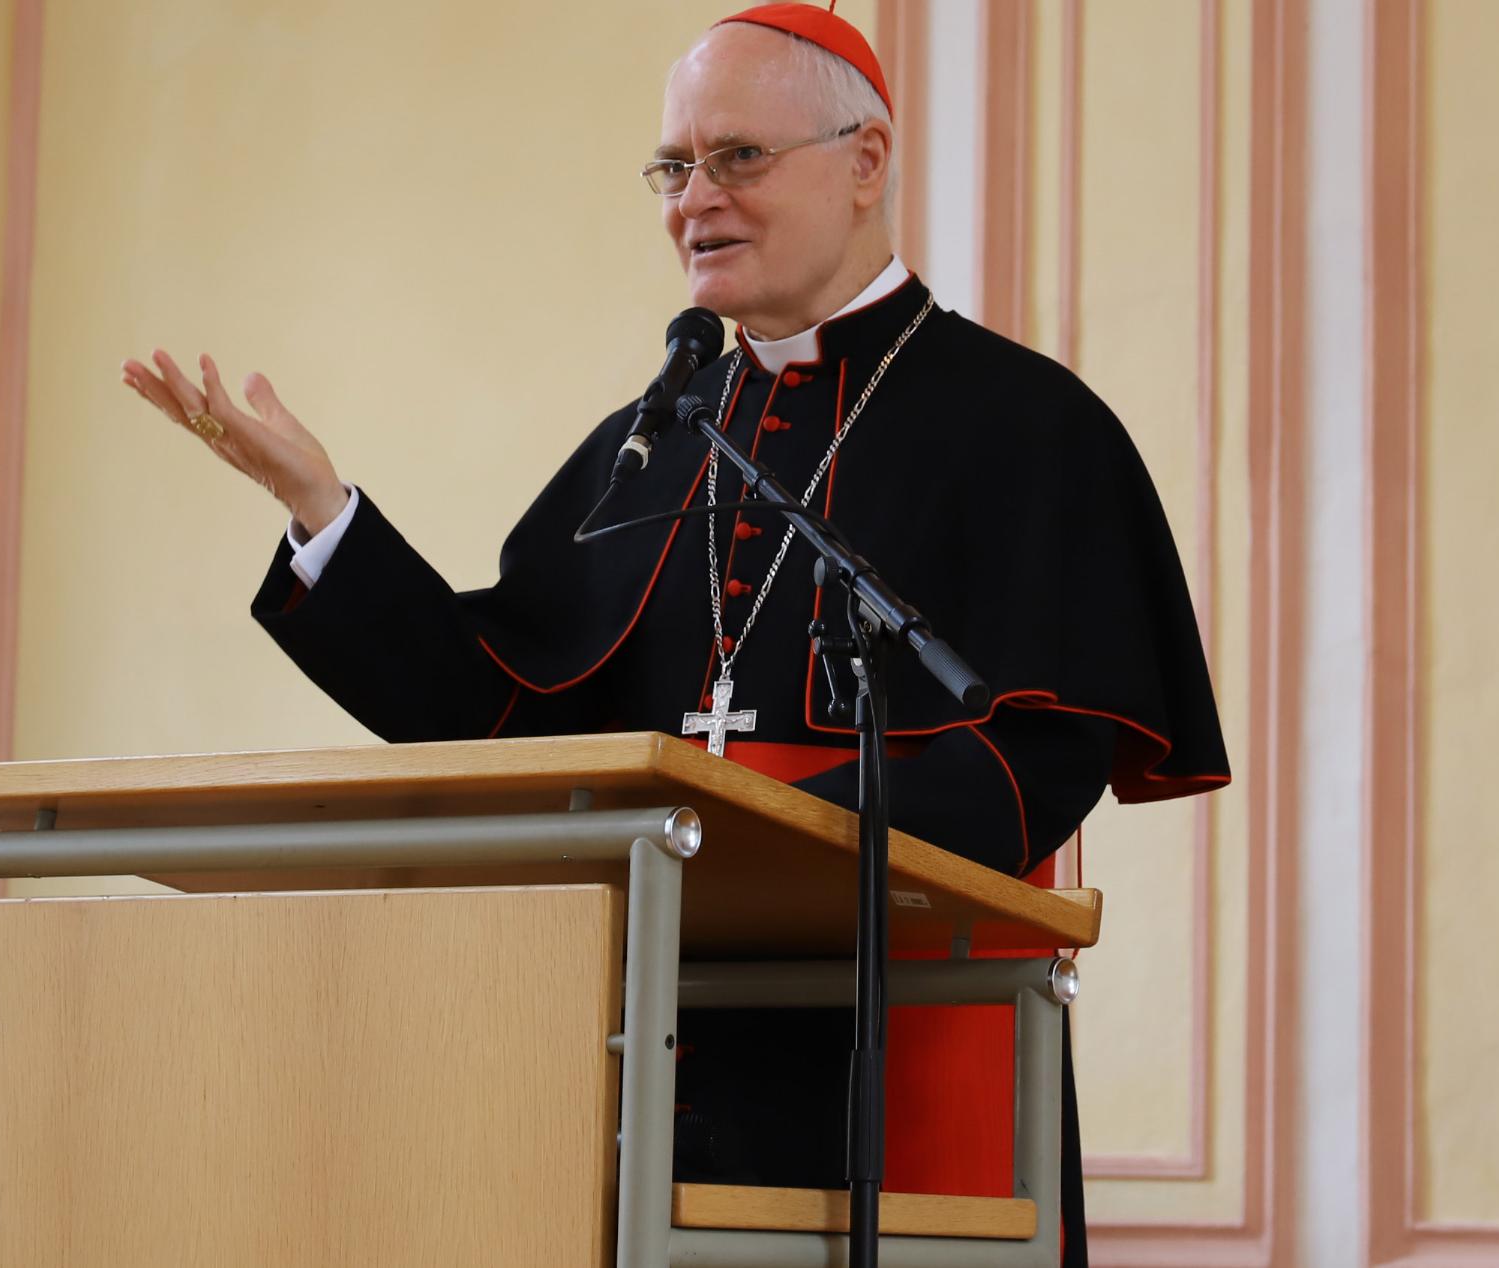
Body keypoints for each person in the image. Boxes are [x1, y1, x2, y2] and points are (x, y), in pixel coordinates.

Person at [121, 2, 1228, 1255]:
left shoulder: (1028, 426)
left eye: (737, 157)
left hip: (904, 1017)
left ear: (865, 162)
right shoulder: (653, 441)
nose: (693, 197)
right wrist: (319, 510)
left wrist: (781, 835)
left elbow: (1047, 746)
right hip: (646, 1027)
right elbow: (499, 711)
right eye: (673, 166)